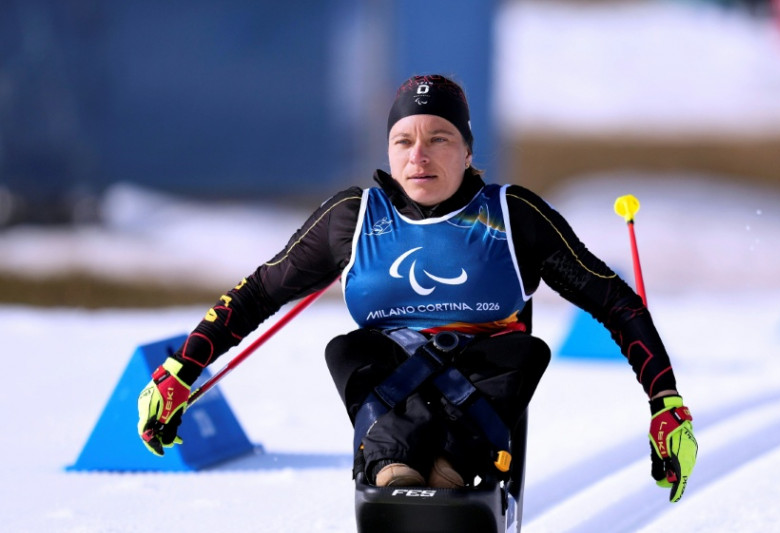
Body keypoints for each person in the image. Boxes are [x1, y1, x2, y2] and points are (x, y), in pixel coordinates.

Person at [136, 74, 697, 501]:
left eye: (438, 138)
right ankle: (395, 473)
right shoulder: (352, 218)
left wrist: (665, 402)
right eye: (403, 140)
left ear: (468, 151)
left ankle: (451, 476)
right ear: (387, 150)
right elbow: (260, 291)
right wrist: (182, 369)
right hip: (388, 390)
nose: (418, 155)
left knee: (524, 350)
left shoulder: (512, 215)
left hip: (484, 389)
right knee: (347, 348)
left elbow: (614, 301)